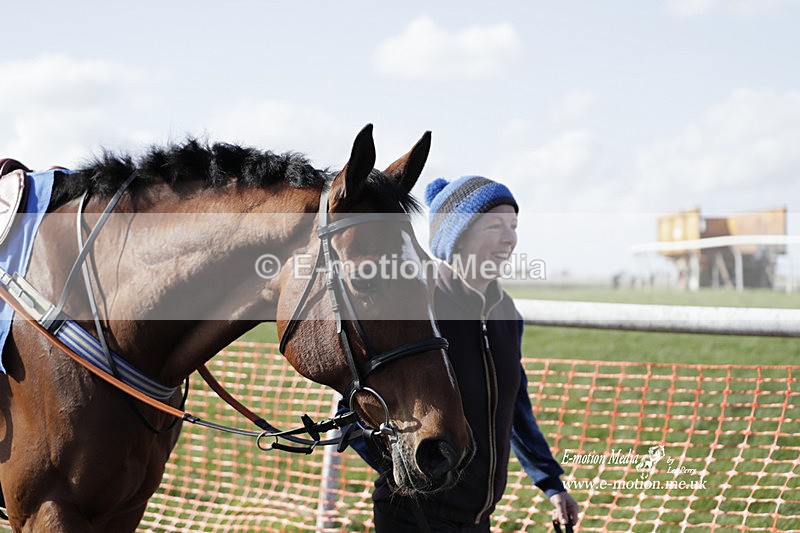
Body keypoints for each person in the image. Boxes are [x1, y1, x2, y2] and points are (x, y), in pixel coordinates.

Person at [346, 176, 580, 532]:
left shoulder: (505, 311)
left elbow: (515, 405)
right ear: (457, 236)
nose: (510, 238)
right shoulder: (420, 307)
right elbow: (353, 411)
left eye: (513, 225)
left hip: (477, 519)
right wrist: (411, 472)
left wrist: (551, 484)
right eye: (495, 226)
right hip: (415, 518)